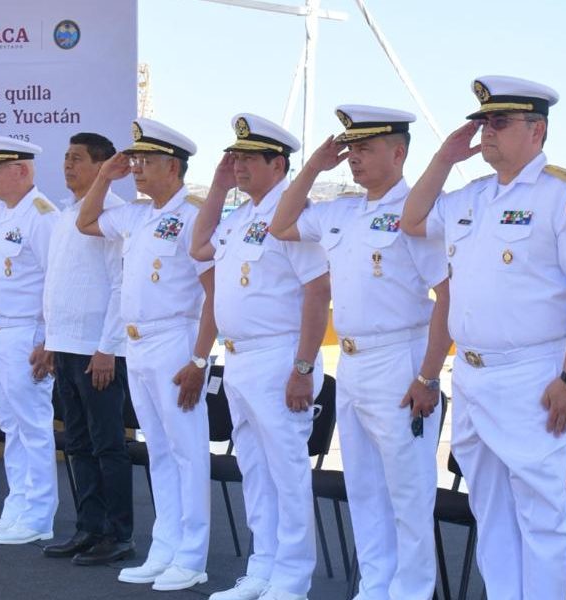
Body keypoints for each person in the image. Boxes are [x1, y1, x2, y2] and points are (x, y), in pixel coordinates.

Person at [402, 76, 566, 599]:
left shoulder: (565, 196)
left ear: (536, 130)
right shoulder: (471, 195)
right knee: (490, 509)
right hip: (473, 375)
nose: (487, 133)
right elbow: (411, 220)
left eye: (500, 122)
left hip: (533, 375)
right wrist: (444, 158)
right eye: (483, 123)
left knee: (539, 512)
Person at [269, 105, 449, 600]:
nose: (354, 158)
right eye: (351, 149)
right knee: (365, 487)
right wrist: (312, 167)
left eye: (365, 148)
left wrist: (429, 376)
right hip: (351, 362)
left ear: (398, 152)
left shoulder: (417, 215)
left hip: (399, 358)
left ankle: (411, 592)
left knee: (408, 490)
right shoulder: (341, 211)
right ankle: (375, 587)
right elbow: (281, 225)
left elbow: (447, 297)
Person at [190, 114, 329, 600]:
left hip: (278, 356)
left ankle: (291, 578)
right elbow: (198, 247)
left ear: (279, 165)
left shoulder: (294, 217)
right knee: (254, 469)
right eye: (236, 158)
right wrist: (217, 186)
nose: (239, 166)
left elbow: (318, 292)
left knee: (286, 474)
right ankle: (262, 568)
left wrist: (303, 367)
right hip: (240, 359)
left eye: (250, 158)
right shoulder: (239, 218)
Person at [76, 118, 216, 592]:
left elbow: (213, 293)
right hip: (137, 344)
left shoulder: (194, 215)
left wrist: (200, 360)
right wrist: (104, 176)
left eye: (146, 161)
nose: (135, 168)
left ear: (172, 167)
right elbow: (85, 222)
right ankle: (165, 547)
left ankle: (191, 556)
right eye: (134, 160)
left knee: (187, 452)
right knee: (159, 451)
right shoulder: (137, 215)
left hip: (176, 340)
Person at [40, 132, 135, 566]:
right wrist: (51, 340)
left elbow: (120, 285)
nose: (67, 165)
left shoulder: (113, 214)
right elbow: (59, 283)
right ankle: (88, 527)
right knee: (77, 443)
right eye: (66, 157)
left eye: (77, 158)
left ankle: (118, 534)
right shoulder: (66, 214)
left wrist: (108, 347)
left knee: (107, 445)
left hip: (96, 348)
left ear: (102, 166)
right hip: (66, 345)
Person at [0, 136, 59, 545]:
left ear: (22, 170)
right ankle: (17, 508)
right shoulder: (6, 211)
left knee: (32, 426)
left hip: (26, 334)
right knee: (11, 426)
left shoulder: (42, 216)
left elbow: (56, 281)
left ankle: (38, 515)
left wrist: (49, 340)